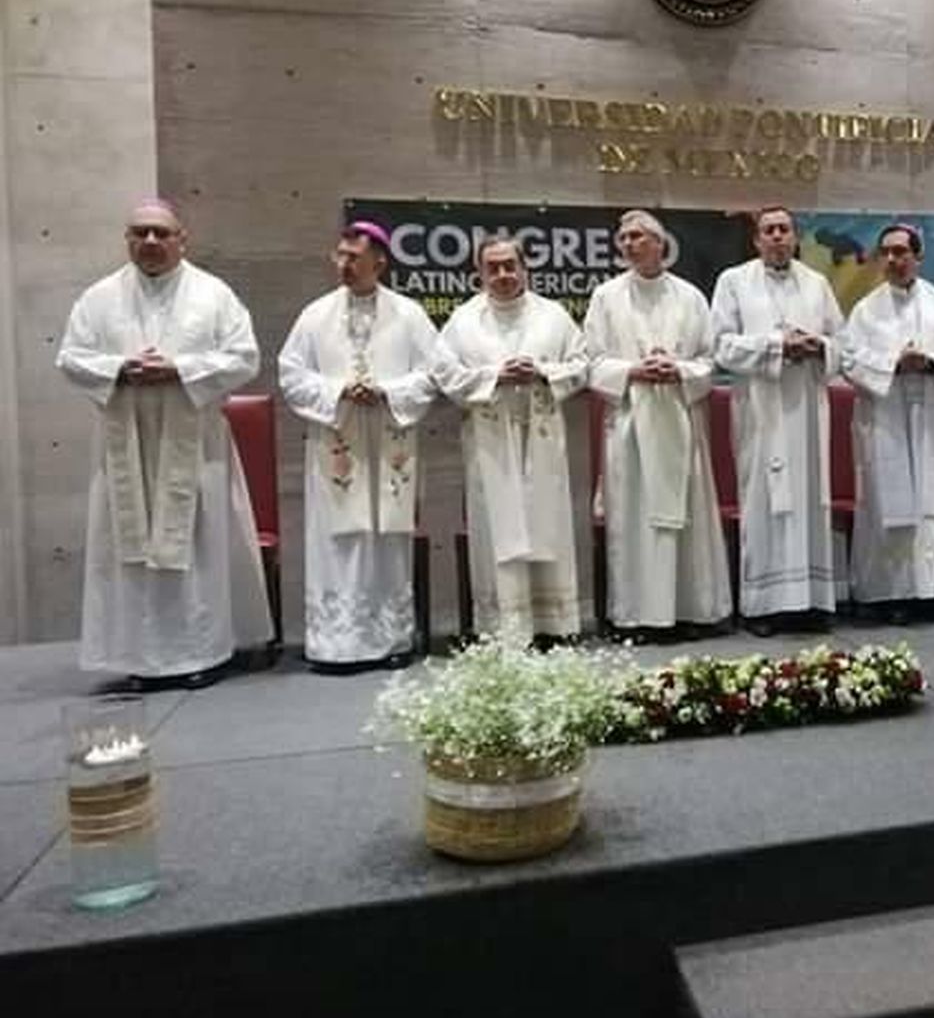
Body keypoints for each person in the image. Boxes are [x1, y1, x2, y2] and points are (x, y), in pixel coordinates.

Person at [56, 198, 272, 689]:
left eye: (160, 232)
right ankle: (142, 659)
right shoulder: (99, 298)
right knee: (130, 546)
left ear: (182, 240)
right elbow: (70, 358)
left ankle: (202, 653)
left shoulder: (214, 295)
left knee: (199, 544)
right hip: (126, 444)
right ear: (127, 239)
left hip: (195, 443)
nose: (150, 241)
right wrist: (120, 368)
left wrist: (179, 369)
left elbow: (245, 358)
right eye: (140, 232)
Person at [278, 221, 438, 670]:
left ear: (379, 262)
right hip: (338, 440)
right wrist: (339, 392)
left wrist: (387, 391)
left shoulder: (409, 315)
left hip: (389, 442)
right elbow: (291, 374)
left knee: (386, 538)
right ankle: (337, 645)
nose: (344, 265)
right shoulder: (315, 315)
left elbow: (434, 372)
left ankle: (392, 640)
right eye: (340, 256)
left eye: (354, 257)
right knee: (339, 542)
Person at [433, 235, 590, 642]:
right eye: (493, 267)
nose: (503, 274)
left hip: (541, 441)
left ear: (524, 268)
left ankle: (553, 624)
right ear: (479, 273)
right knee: (496, 528)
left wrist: (542, 372)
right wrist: (495, 376)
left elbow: (581, 365)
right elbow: (444, 374)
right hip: (492, 447)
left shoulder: (553, 316)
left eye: (510, 265)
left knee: (547, 522)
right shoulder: (464, 321)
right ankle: (505, 625)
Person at [583, 209, 731, 636]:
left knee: (687, 519)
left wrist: (679, 369)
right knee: (634, 519)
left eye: (638, 236)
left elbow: (710, 360)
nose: (629, 244)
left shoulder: (690, 296)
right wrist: (633, 370)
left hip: (679, 420)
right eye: (624, 238)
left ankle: (690, 611)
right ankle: (638, 616)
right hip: (630, 422)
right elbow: (591, 361)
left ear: (660, 243)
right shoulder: (606, 297)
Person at [710, 205, 845, 635]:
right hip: (761, 410)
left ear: (795, 236)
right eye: (768, 230)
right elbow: (721, 346)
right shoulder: (733, 281)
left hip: (807, 408)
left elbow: (843, 343)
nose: (777, 236)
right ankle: (763, 607)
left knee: (809, 497)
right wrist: (776, 346)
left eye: (784, 229)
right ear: (756, 240)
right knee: (764, 501)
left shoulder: (817, 283)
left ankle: (811, 601)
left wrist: (818, 346)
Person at [840, 223, 934, 624]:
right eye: (886, 252)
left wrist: (931, 361)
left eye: (901, 252)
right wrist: (893, 364)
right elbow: (849, 358)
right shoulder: (866, 310)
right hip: (887, 416)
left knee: (932, 503)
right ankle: (889, 594)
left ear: (918, 257)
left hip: (931, 414)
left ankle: (931, 593)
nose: (893, 260)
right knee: (889, 500)